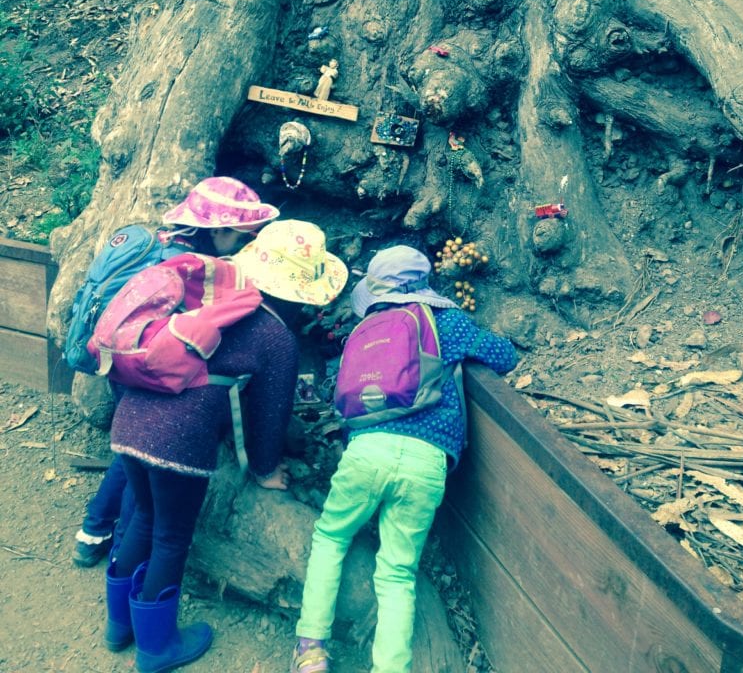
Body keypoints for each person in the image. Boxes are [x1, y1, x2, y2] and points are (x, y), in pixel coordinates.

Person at [102, 218, 348, 673]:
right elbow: (268, 417)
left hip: (130, 420)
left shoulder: (214, 295)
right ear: (300, 291)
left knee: (142, 515)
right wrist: (265, 469)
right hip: (176, 442)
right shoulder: (276, 335)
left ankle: (119, 626)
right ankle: (156, 649)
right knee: (171, 537)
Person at [289, 244, 519, 673]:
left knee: (332, 537)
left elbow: (338, 392)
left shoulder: (364, 331)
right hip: (426, 460)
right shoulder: (444, 321)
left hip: (365, 452)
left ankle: (310, 650)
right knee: (397, 572)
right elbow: (504, 357)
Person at [72, 176, 281, 568]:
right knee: (145, 466)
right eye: (241, 236)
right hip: (147, 367)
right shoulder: (193, 270)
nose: (244, 245)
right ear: (218, 231)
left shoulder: (158, 244)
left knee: (128, 451)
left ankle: (93, 531)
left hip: (116, 357)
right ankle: (120, 552)